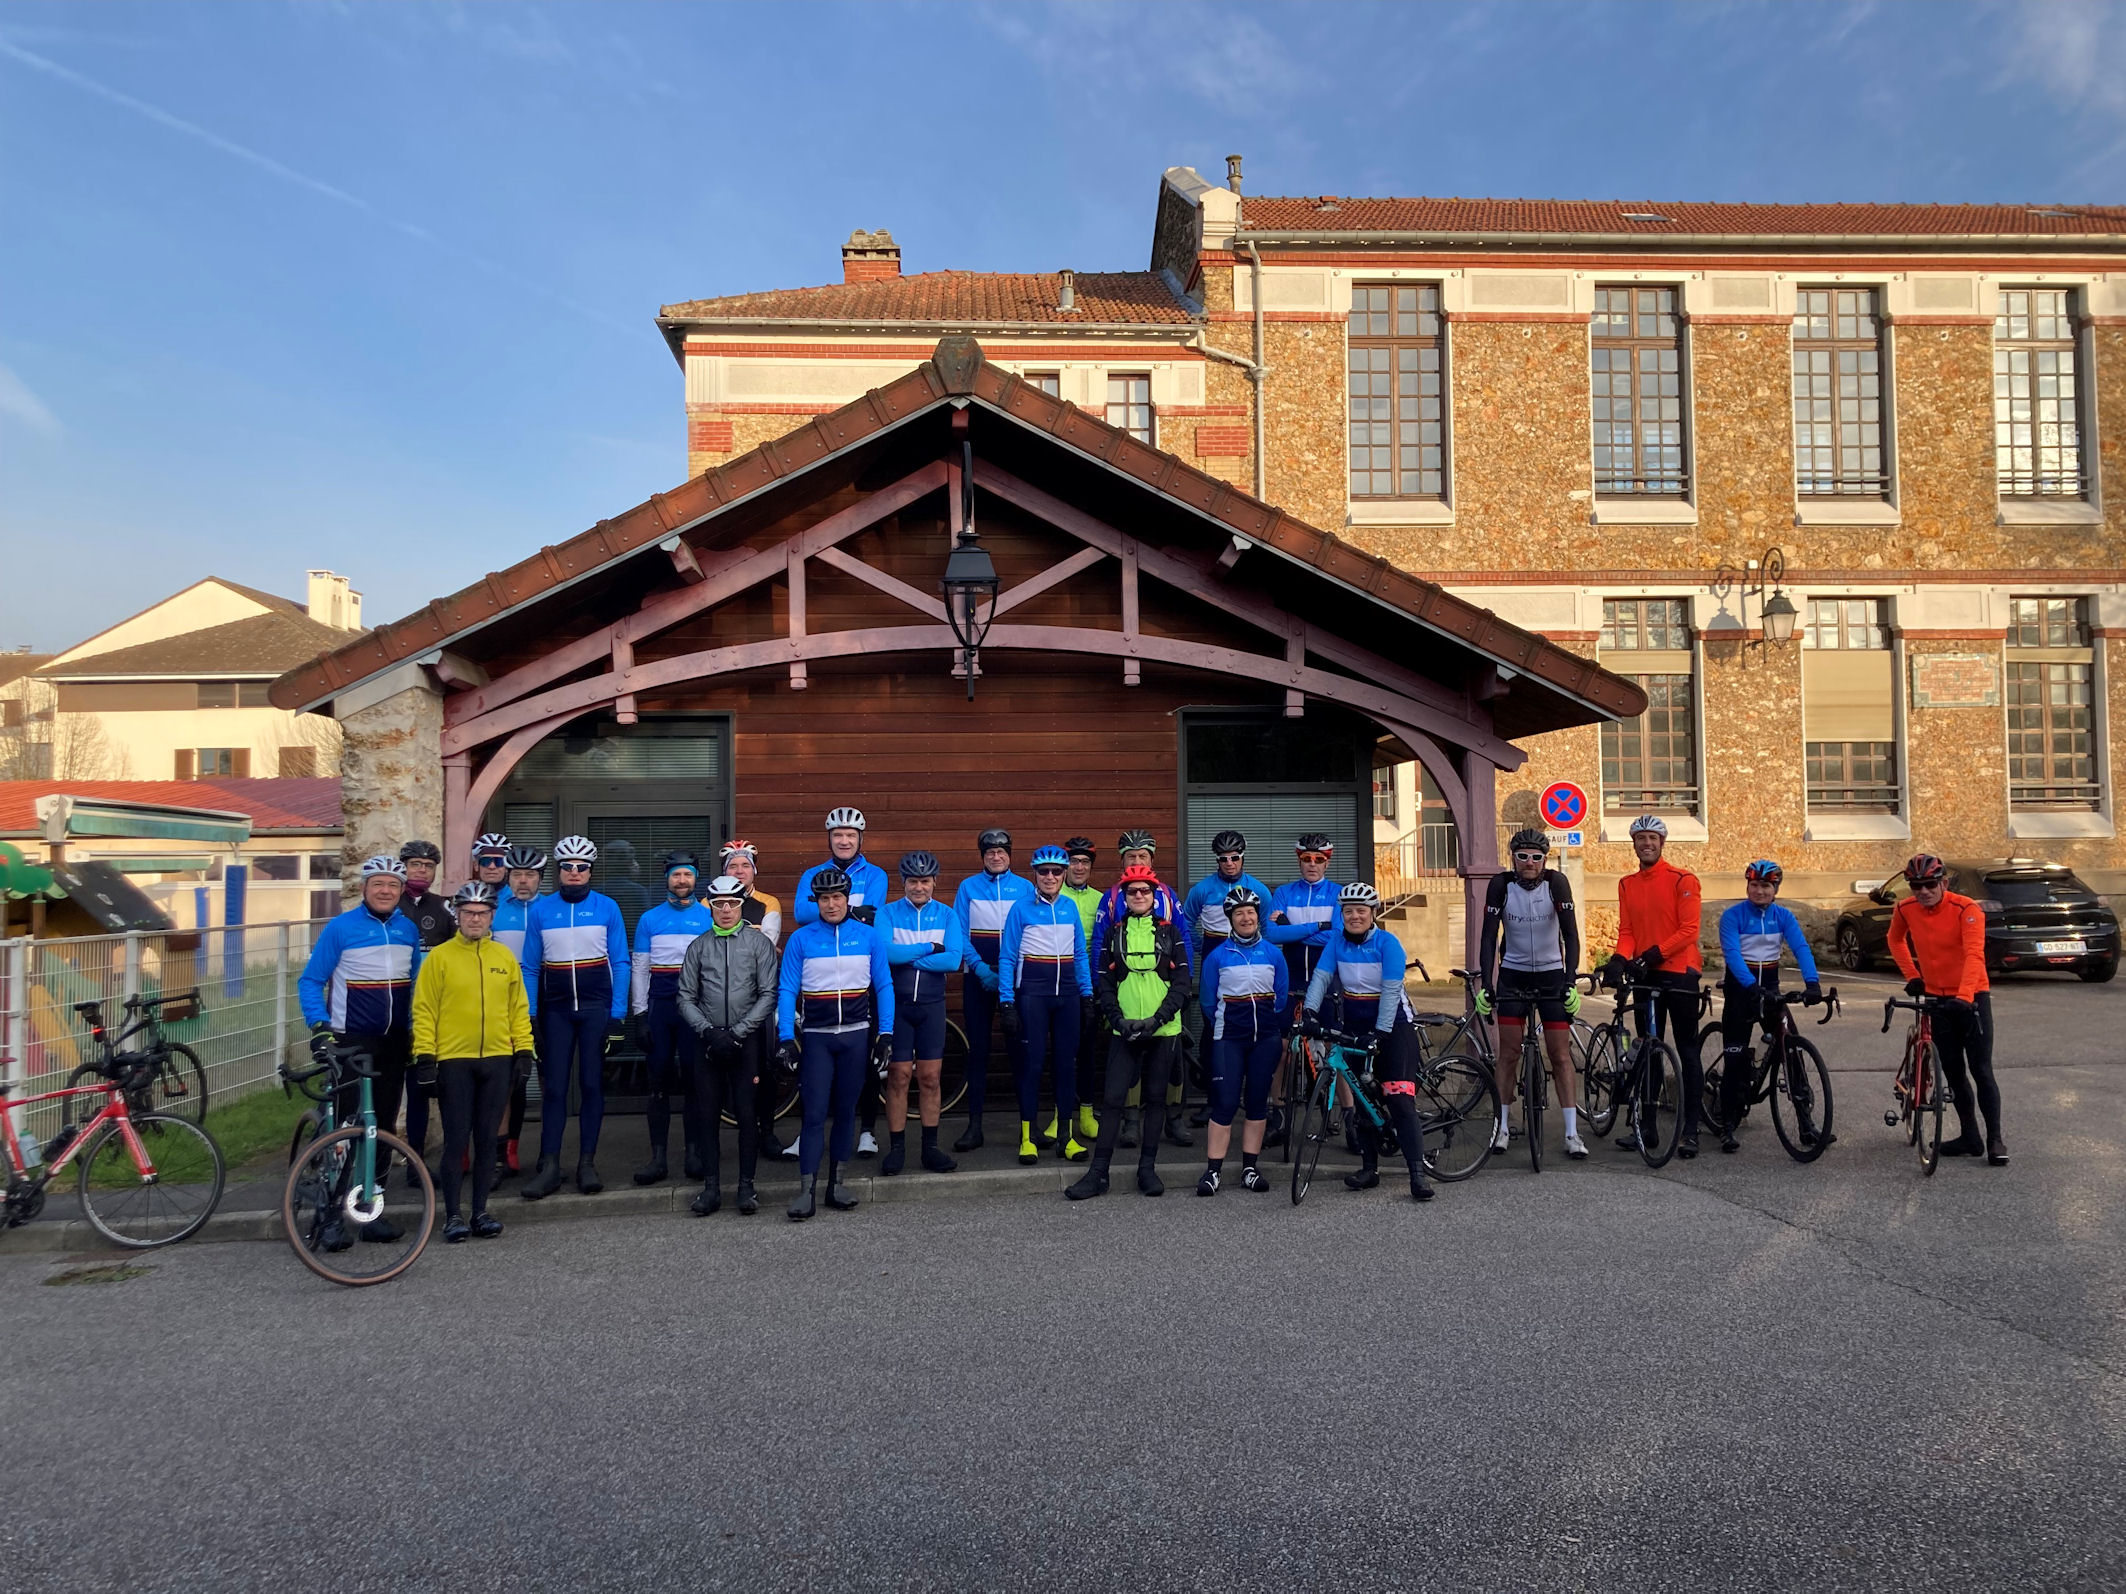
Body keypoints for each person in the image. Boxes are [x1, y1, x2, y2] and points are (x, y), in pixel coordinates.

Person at [297, 854, 424, 1243]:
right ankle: (330, 1215)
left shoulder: (407, 930)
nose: (385, 891)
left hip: (394, 1041)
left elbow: (415, 984)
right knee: (346, 1125)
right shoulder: (341, 928)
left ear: (401, 891)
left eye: (393, 885)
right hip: (350, 1040)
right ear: (364, 888)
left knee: (382, 1126)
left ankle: (371, 1208)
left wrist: (417, 1031)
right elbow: (311, 980)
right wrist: (319, 1027)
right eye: (378, 884)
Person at [410, 882, 535, 1243]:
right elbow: (424, 1010)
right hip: (454, 1060)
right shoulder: (440, 957)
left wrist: (524, 1051)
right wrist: (425, 1056)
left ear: (492, 916)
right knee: (456, 1140)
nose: (475, 919)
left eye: (482, 913)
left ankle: (480, 1211)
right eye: (468, 913)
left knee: (487, 1139)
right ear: (458, 915)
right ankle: (452, 1215)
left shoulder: (504, 957)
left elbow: (518, 1008)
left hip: (497, 1059)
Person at [1301, 882, 1433, 1202]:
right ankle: (1369, 1168)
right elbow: (1321, 978)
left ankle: (1417, 1173)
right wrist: (1309, 1012)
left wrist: (1381, 1032)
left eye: (1361, 911)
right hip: (1356, 1025)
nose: (1355, 916)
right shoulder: (1336, 942)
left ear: (1373, 913)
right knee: (1362, 1099)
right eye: (1348, 911)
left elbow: (1391, 990)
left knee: (1398, 1099)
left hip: (1394, 1025)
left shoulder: (1388, 943)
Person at [1067, 864, 1192, 1200]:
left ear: (1154, 896)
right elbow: (1104, 983)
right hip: (1123, 1029)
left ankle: (1147, 1169)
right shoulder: (1114, 933)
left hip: (1163, 1030)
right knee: (1112, 1099)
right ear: (1123, 897)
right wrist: (1117, 1020)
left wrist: (1158, 1019)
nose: (1138, 895)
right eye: (1132, 891)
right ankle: (1098, 1173)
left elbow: (1182, 983)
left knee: (1155, 1098)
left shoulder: (1170, 932)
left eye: (1144, 891)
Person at [776, 868, 894, 1221]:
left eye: (837, 897)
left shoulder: (868, 936)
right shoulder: (801, 939)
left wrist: (886, 1034)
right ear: (817, 902)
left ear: (847, 899)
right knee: (813, 1115)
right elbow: (787, 990)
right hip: (817, 1039)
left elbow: (884, 986)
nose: (831, 904)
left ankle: (836, 1185)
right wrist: (786, 1037)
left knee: (845, 1113)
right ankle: (806, 1191)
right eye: (824, 899)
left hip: (856, 1036)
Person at [520, 835, 629, 1199]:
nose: (575, 872)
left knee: (592, 1086)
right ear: (559, 871)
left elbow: (621, 962)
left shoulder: (607, 907)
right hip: (556, 1011)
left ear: (590, 871)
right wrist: (530, 1015)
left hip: (596, 1009)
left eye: (582, 867)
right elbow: (530, 967)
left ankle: (587, 1163)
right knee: (554, 1088)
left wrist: (618, 1016)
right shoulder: (541, 910)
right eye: (567, 867)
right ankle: (550, 1165)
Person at [1475, 828, 1587, 1160]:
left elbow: (1571, 935)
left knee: (1561, 1055)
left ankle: (1571, 1133)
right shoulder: (1501, 884)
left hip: (1552, 975)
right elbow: (1488, 937)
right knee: (1509, 1054)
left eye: (1536, 857)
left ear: (1545, 860)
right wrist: (1487, 984)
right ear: (1513, 858)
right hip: (1514, 975)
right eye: (1522, 856)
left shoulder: (1556, 883)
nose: (1529, 862)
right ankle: (1501, 1127)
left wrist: (1570, 982)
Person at [1889, 853, 2005, 1164]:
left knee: (1981, 1070)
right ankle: (1970, 1137)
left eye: (1930, 884)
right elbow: (1895, 940)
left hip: (1971, 997)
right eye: (1916, 886)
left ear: (1944, 883)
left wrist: (1965, 997)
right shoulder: (1905, 908)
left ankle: (1995, 1140)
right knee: (1953, 1072)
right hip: (1936, 998)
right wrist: (1912, 976)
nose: (1924, 891)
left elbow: (1974, 955)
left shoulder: (1966, 909)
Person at [1606, 814, 1707, 1159]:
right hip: (1646, 974)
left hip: (1679, 972)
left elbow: (1689, 930)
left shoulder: (1683, 879)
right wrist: (1619, 959)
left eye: (1652, 838)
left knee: (1687, 1050)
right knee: (1648, 1048)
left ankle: (1690, 1130)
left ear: (1662, 843)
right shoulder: (1627, 884)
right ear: (1634, 844)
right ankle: (1646, 1128)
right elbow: (1627, 931)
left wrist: (1653, 954)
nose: (1646, 843)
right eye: (1641, 838)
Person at [678, 875, 780, 1215]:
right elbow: (685, 997)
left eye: (732, 904)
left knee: (747, 1114)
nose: (725, 910)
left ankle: (746, 1187)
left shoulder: (758, 944)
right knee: (707, 1114)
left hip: (745, 1041)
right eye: (719, 904)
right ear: (710, 907)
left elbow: (768, 994)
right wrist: (708, 1032)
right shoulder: (698, 946)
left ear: (741, 906)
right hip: (707, 1041)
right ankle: (711, 1189)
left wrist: (738, 1033)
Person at [1090, 829, 1195, 1149]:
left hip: (1165, 998)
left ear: (1152, 860)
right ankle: (1131, 1121)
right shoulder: (1112, 897)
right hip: (1126, 1000)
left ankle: (1174, 1119)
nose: (1137, 860)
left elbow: (1184, 939)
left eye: (1143, 856)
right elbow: (1100, 944)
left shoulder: (1168, 895)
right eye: (1131, 856)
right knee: (1130, 1065)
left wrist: (1184, 987)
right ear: (1122, 861)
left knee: (1174, 1064)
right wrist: (1102, 992)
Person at [1714, 859, 1825, 1153]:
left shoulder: (1783, 916)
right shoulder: (1733, 916)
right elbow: (1733, 955)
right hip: (1742, 991)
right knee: (1735, 1060)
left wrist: (1812, 983)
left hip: (1770, 990)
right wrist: (1751, 987)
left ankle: (1806, 1125)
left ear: (1776, 888)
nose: (1759, 891)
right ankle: (1728, 1125)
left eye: (1765, 886)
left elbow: (1801, 948)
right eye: (1754, 885)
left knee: (1793, 1053)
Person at [1000, 845, 1095, 1165]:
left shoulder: (1069, 906)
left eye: (1056, 871)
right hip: (1032, 996)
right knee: (1032, 1065)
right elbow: (1007, 957)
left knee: (1066, 1065)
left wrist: (1087, 995)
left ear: (1064, 874)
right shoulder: (1020, 908)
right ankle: (1027, 1136)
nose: (1050, 877)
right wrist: (1006, 1001)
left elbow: (1079, 955)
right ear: (1035, 874)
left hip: (1067, 996)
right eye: (1044, 871)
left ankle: (1066, 1137)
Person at [877, 850, 965, 1176]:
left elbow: (953, 960)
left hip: (931, 1006)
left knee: (930, 1078)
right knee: (898, 1077)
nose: (919, 887)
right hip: (897, 1007)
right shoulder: (887, 913)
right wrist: (928, 949)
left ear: (934, 882)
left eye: (925, 881)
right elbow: (885, 954)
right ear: (903, 882)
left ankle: (930, 1148)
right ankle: (897, 1149)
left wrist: (907, 958)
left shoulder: (947, 915)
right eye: (913, 881)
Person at [1195, 885, 1288, 1194]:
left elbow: (1281, 999)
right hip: (1229, 1040)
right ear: (1230, 918)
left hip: (1265, 1039)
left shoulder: (1273, 954)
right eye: (1239, 913)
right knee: (1225, 1103)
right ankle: (1213, 1171)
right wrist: (1229, 1024)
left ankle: (1250, 1168)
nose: (1246, 918)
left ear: (1258, 917)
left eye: (1250, 912)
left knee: (1257, 1102)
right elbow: (1208, 1002)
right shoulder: (1217, 957)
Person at [630, 852, 715, 1187]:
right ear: (667, 879)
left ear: (696, 879)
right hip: (661, 1009)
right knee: (658, 1084)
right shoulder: (649, 919)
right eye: (676, 875)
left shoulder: (709, 916)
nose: (682, 881)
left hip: (697, 1011)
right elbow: (640, 968)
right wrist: (640, 1015)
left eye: (687, 875)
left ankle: (693, 1153)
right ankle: (658, 1158)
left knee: (695, 1083)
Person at [952, 827, 1034, 1151]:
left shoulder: (1025, 887)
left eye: (1001, 852)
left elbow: (1031, 932)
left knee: (1021, 1052)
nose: (996, 856)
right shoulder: (968, 887)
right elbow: (959, 933)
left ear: (1010, 855)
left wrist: (1010, 973)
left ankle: (1028, 1128)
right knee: (979, 1052)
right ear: (982, 856)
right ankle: (974, 1127)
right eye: (990, 852)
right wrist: (980, 968)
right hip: (980, 978)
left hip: (1015, 979)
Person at [395, 838, 455, 1183]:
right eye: (415, 865)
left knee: (420, 1092)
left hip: (430, 1015)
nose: (421, 871)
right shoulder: (389, 903)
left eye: (429, 866)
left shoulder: (443, 908)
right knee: (386, 1094)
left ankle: (416, 1165)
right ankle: (373, 1164)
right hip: (391, 1011)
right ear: (404, 867)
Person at [489, 844, 545, 1180]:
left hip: (543, 1004)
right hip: (501, 1006)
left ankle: (533, 1150)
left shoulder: (549, 909)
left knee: (540, 1079)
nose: (523, 881)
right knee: (508, 1082)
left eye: (530, 875)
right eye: (517, 875)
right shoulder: (493, 909)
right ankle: (502, 1151)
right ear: (508, 877)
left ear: (540, 878)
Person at [1058, 837, 1105, 1150]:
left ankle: (1087, 1113)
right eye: (1074, 862)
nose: (1079, 867)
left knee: (1088, 1050)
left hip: (1091, 984)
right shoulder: (1052, 894)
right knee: (1061, 1052)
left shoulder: (1101, 899)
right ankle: (1059, 1114)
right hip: (1059, 983)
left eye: (1084, 862)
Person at [1267, 832, 1343, 1001]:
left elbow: (1337, 936)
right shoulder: (1283, 892)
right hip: (1291, 977)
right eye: (1306, 858)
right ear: (1299, 862)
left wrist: (1289, 930)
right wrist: (1319, 927)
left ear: (1327, 864)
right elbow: (1272, 935)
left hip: (1327, 978)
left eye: (1319, 859)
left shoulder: (1339, 893)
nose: (1312, 864)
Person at [793, 808, 890, 927]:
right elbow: (802, 915)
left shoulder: (875, 875)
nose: (844, 842)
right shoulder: (811, 875)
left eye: (851, 835)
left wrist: (821, 907)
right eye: (837, 835)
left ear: (860, 839)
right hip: (820, 938)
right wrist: (853, 910)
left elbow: (869, 917)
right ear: (829, 839)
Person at [720, 839, 782, 945]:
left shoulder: (769, 902)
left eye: (746, 866)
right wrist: (754, 933)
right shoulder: (709, 902)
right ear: (725, 871)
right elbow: (708, 944)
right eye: (733, 866)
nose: (739, 871)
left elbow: (767, 945)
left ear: (754, 870)